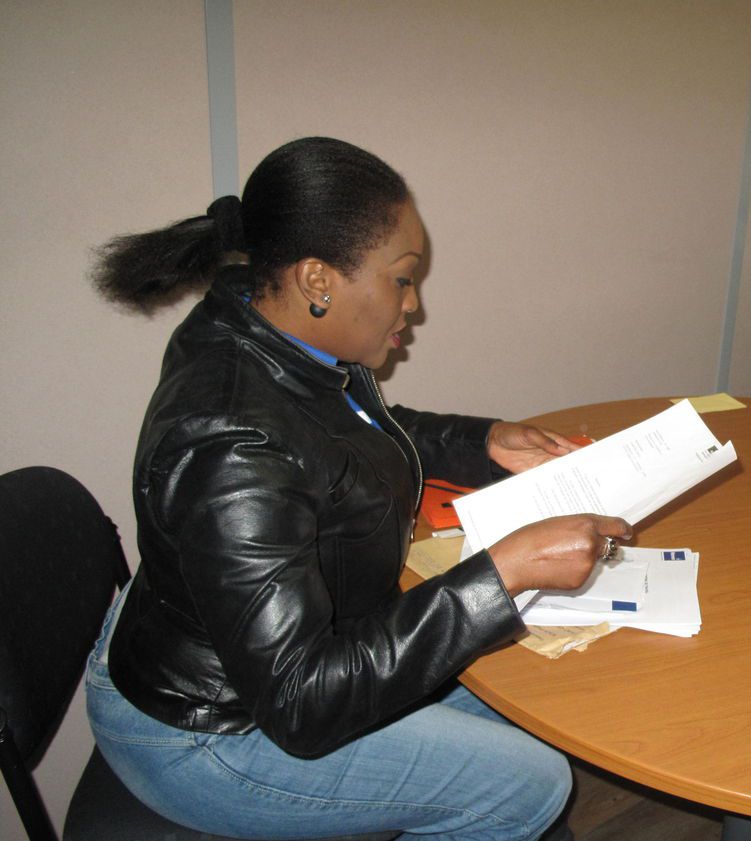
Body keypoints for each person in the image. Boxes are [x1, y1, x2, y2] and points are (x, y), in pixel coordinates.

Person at [85, 136, 630, 840]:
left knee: (532, 703)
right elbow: (302, 704)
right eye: (403, 279)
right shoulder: (231, 443)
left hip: (263, 660)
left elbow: (345, 431)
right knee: (529, 783)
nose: (414, 305)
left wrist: (481, 440)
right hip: (215, 730)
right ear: (318, 280)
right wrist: (500, 575)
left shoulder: (270, 324)